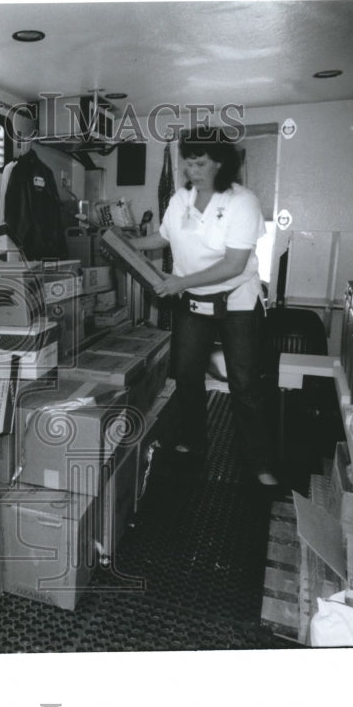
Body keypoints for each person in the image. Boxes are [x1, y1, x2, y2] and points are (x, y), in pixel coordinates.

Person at [125, 128, 277, 485]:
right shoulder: (181, 199)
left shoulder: (243, 202)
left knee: (243, 382)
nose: (193, 171)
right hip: (194, 300)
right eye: (188, 163)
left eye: (201, 163)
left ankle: (259, 462)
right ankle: (195, 443)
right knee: (187, 374)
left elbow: (234, 265)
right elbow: (162, 237)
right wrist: (127, 243)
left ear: (220, 163)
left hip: (236, 301)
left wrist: (178, 283)